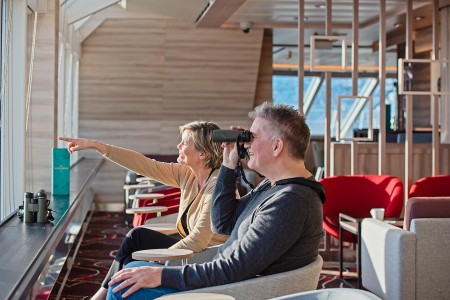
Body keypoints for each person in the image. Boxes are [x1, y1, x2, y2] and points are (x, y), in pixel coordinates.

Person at [105, 102, 326, 300]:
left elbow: (233, 269)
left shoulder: (291, 201)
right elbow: (222, 223)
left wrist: (162, 275)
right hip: (223, 280)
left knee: (121, 287)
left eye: (253, 137)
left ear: (277, 146)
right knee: (131, 270)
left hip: (231, 291)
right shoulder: (273, 187)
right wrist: (229, 165)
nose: (246, 145)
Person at [59, 121, 229, 300]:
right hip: (190, 248)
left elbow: (197, 242)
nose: (178, 146)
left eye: (185, 142)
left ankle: (110, 294)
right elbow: (143, 164)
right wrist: (97, 146)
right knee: (137, 237)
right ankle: (105, 294)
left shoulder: (218, 185)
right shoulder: (188, 174)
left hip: (204, 258)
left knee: (133, 259)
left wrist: (158, 259)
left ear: (203, 153)